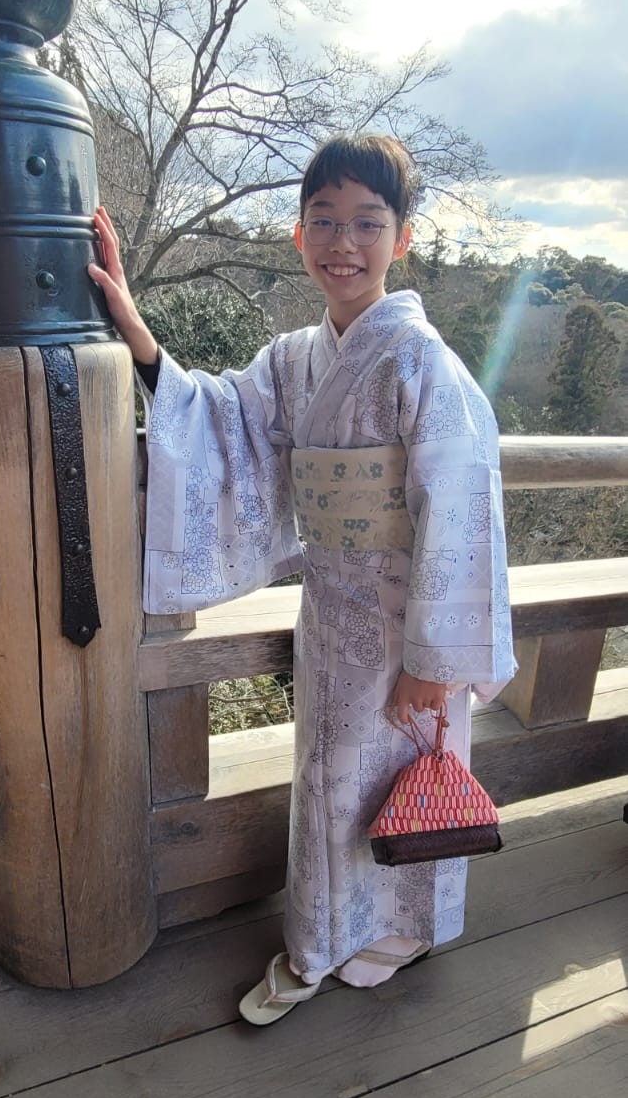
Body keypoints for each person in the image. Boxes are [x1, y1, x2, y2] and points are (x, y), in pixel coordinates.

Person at [88, 133, 517, 1024]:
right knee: (332, 784)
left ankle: (396, 930)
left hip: (409, 627)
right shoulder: (294, 358)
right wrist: (137, 335)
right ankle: (325, 934)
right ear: (297, 234)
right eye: (322, 220)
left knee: (404, 780)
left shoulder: (421, 361)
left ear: (401, 239)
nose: (341, 242)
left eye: (366, 222)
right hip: (331, 611)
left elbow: (463, 507)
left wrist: (433, 662)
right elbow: (224, 421)